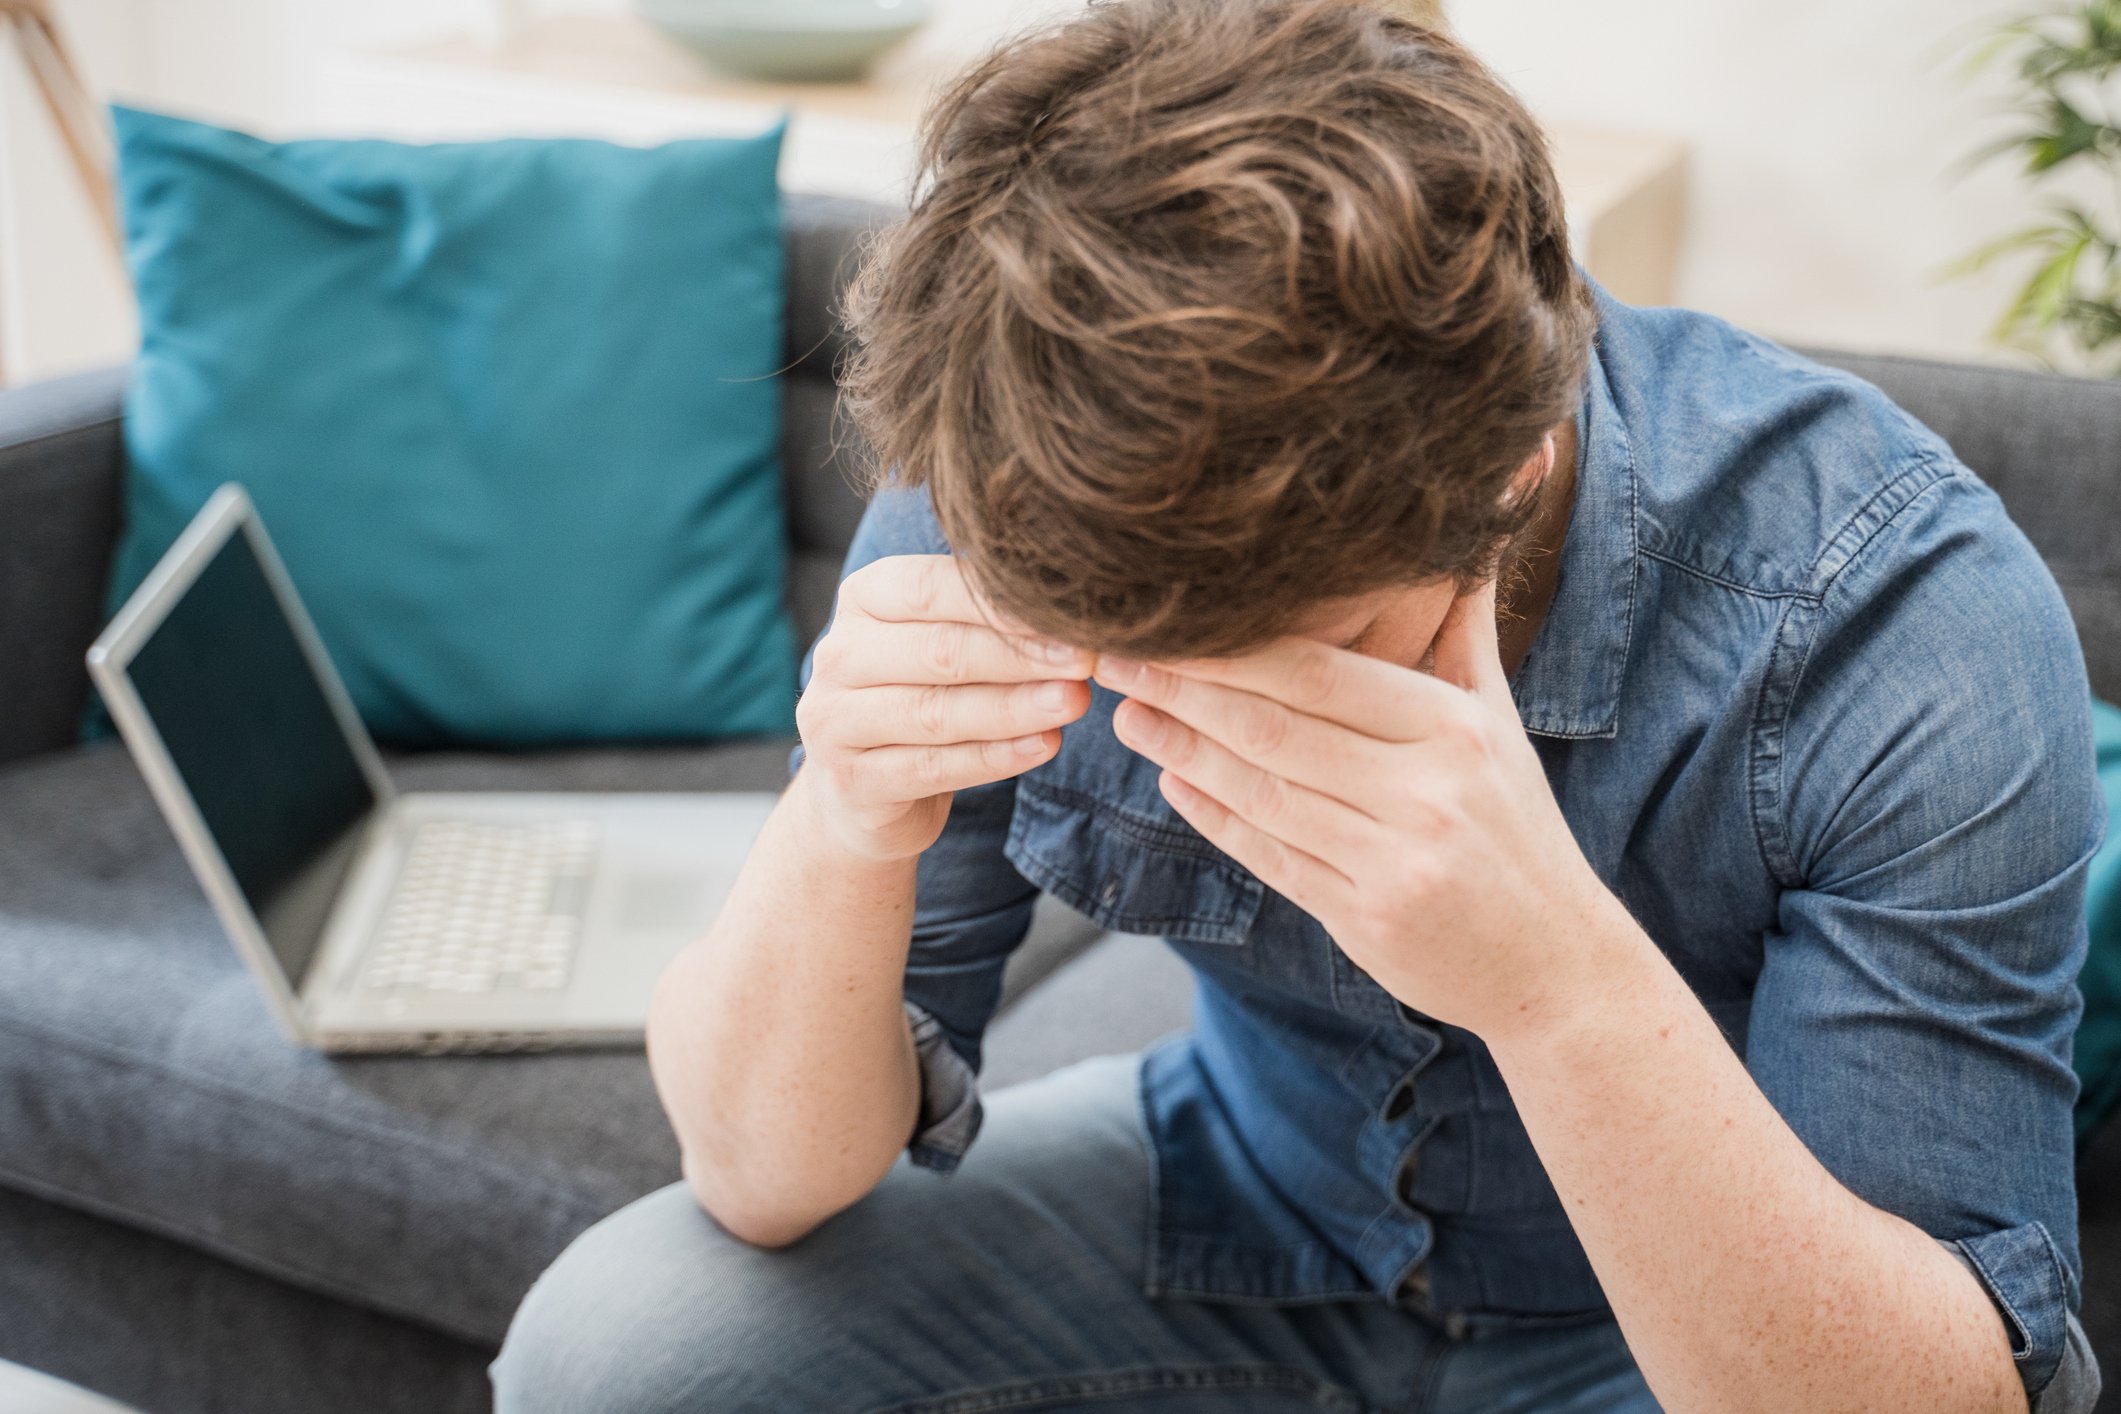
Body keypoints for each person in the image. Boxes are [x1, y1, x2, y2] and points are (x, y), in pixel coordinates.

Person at [490, 1, 2102, 1409]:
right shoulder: (1019, 470)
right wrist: (841, 819)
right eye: (1117, 640)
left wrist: (1554, 984)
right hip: (1243, 1197)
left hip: (1671, 1327)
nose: (1164, 694)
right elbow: (761, 1178)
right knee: (615, 1347)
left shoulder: (1899, 618)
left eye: (1271, 648)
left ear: (1510, 464)